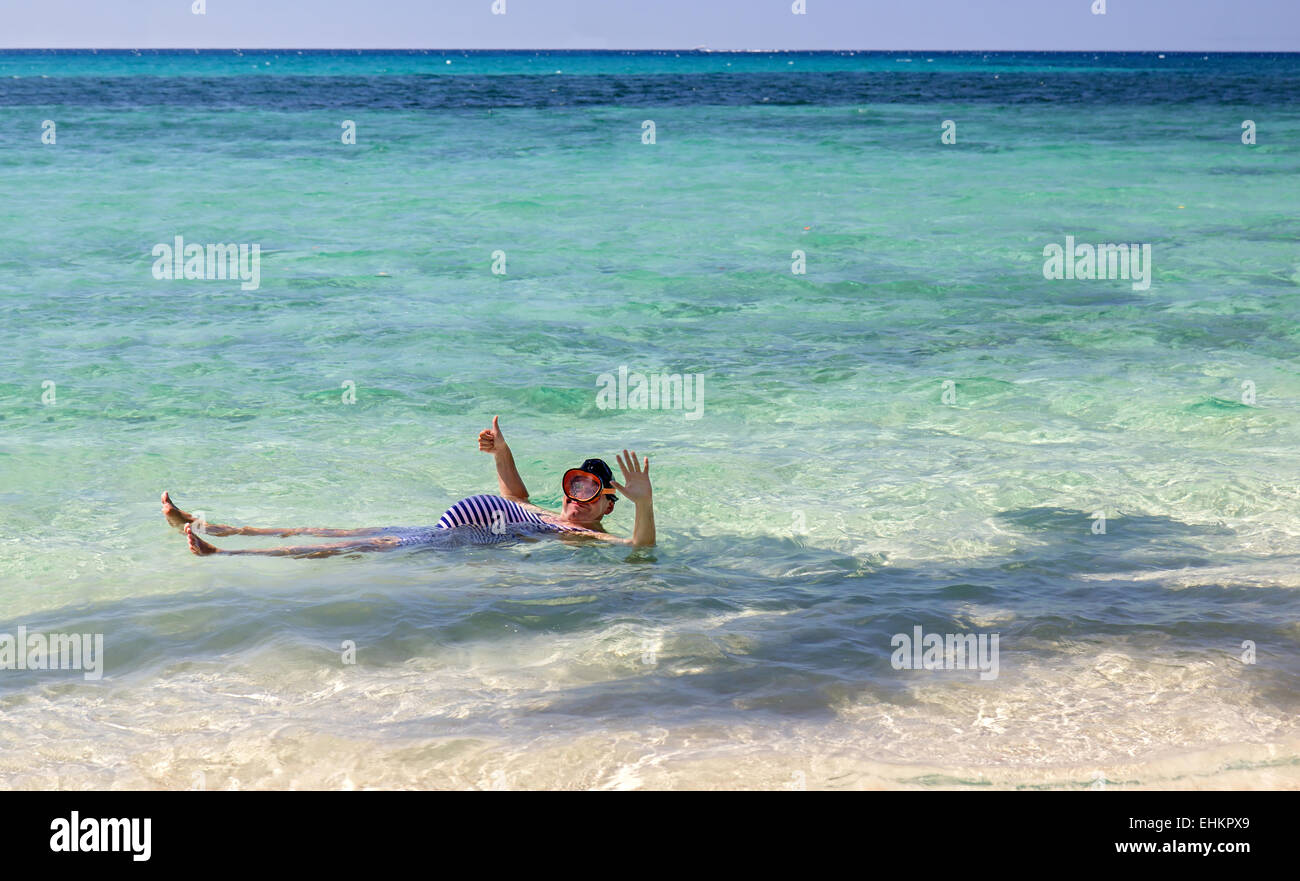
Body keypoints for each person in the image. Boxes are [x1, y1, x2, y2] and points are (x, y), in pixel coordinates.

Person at [167, 416, 655, 556]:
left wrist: (643, 503)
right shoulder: (547, 512)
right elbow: (513, 492)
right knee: (335, 530)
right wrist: (501, 450)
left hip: (456, 539)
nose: (578, 498)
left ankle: (227, 554)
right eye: (575, 485)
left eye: (592, 493)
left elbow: (639, 548)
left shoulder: (585, 535)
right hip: (436, 527)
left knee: (365, 546)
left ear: (606, 505)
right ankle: (220, 527)